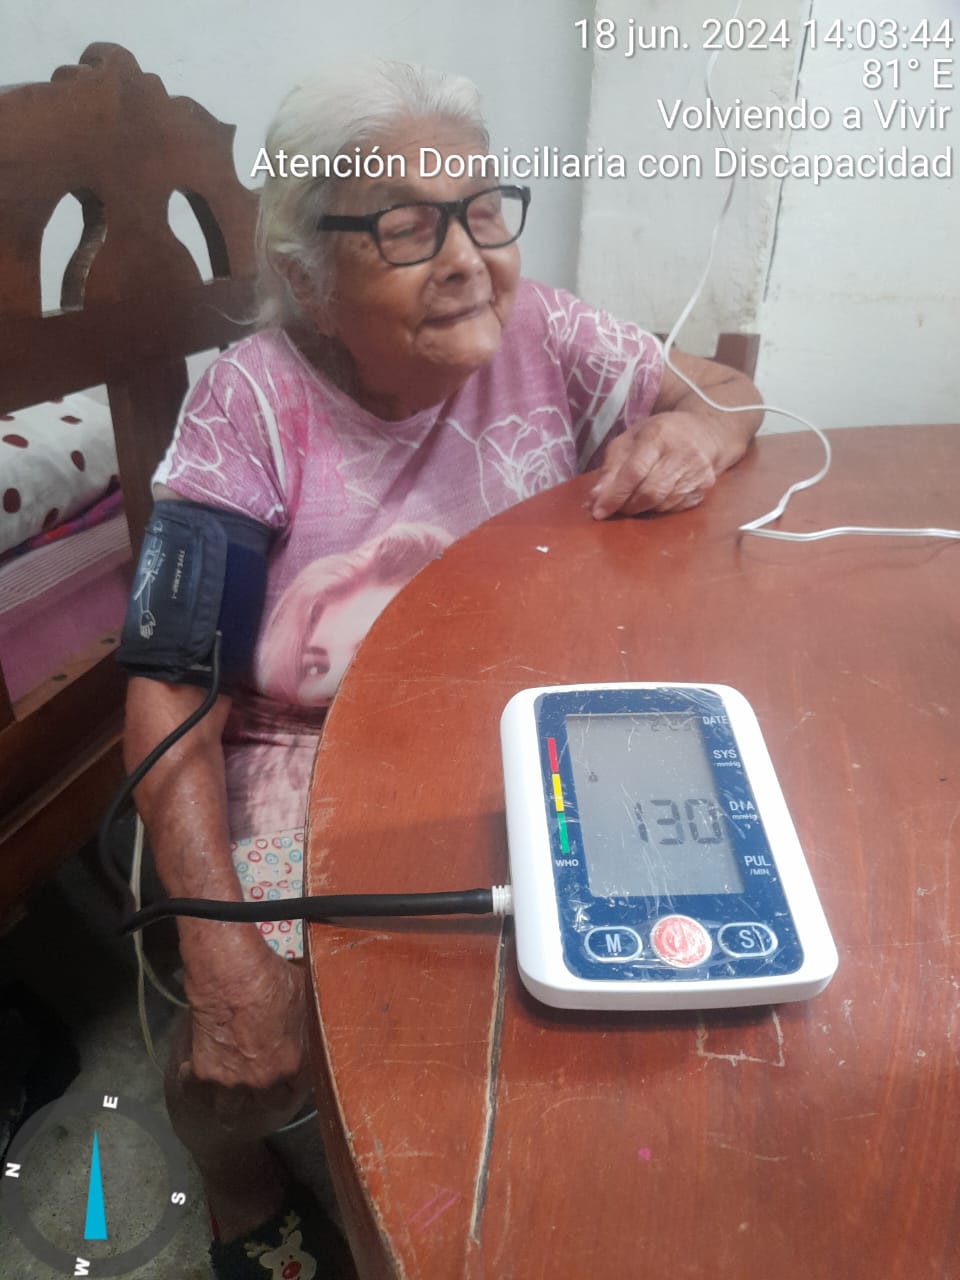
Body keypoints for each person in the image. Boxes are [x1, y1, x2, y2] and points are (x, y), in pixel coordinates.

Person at [123, 60, 763, 1277]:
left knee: (662, 937)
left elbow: (729, 392)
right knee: (267, 1034)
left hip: (521, 710)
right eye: (409, 228)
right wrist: (217, 948)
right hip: (308, 750)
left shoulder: (545, 329)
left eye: (481, 211)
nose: (469, 258)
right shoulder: (250, 406)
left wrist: (698, 427)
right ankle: (231, 1166)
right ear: (311, 278)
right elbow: (166, 686)